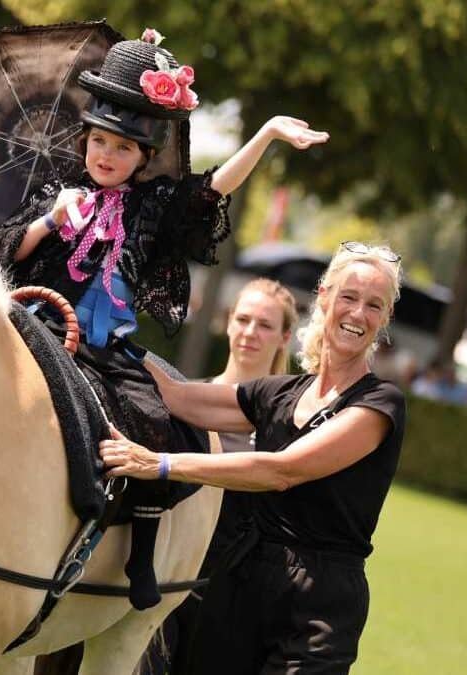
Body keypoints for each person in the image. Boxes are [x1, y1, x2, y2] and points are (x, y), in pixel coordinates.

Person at [0, 28, 327, 612]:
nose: (106, 156)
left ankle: (141, 548)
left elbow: (212, 190)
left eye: (121, 148)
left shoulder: (153, 204)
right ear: (85, 142)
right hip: (33, 325)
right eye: (98, 142)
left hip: (104, 349)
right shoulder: (52, 192)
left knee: (155, 418)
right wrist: (47, 222)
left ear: (143, 156)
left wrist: (266, 133)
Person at [100, 241, 406, 674]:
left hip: (318, 606)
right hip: (239, 584)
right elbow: (177, 397)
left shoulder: (380, 403)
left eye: (374, 305)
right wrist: (113, 333)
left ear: (385, 319)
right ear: (324, 297)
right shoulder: (279, 393)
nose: (358, 313)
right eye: (349, 297)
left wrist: (161, 463)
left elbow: (281, 471)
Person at [137, 278, 298, 674]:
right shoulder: (184, 401)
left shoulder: (295, 422)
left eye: (264, 324)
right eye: (242, 319)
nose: (250, 332)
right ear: (227, 323)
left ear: (285, 337)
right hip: (166, 583)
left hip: (239, 601)